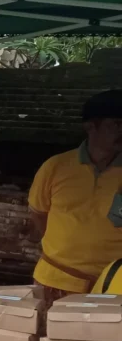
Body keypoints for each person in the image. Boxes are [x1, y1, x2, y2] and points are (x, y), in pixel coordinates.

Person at [29, 89, 122, 300]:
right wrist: (64, 248)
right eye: (116, 124)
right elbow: (38, 214)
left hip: (115, 284)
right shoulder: (56, 167)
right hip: (56, 280)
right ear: (90, 126)